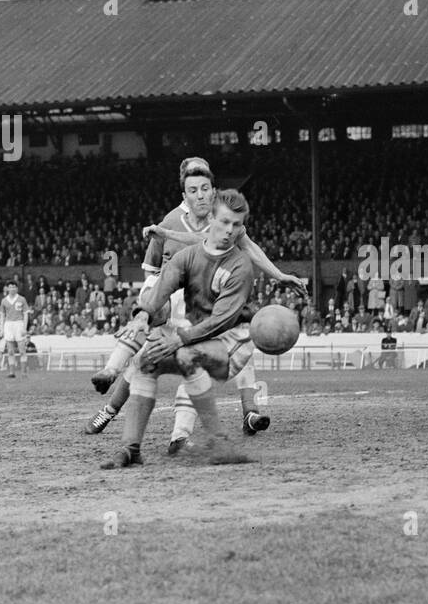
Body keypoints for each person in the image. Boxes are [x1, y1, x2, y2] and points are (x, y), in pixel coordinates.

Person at [86, 158, 302, 444]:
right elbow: (152, 271)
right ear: (184, 191)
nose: (201, 194)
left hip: (205, 300)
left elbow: (247, 247)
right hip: (173, 298)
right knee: (144, 358)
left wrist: (278, 274)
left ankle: (246, 412)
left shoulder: (223, 219)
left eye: (205, 188)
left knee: (242, 337)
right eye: (194, 188)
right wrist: (153, 301)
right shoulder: (169, 221)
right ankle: (110, 408)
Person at [101, 190, 257, 469]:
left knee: (187, 356)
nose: (229, 231)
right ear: (211, 218)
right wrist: (141, 316)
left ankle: (219, 441)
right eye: (224, 222)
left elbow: (220, 321)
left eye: (236, 225)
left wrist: (178, 339)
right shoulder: (187, 257)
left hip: (233, 341)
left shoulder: (241, 266)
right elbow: (159, 292)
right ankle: (130, 449)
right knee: (146, 361)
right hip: (195, 337)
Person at [0, 280, 31, 378]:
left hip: (19, 324)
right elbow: (2, 315)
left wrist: (24, 328)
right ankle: (12, 373)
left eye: (14, 287)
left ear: (17, 288)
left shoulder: (22, 299)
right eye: (10, 287)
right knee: (10, 351)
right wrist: (1, 328)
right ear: (7, 288)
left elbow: (26, 314)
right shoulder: (4, 301)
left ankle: (24, 373)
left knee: (22, 350)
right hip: (8, 325)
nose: (12, 288)